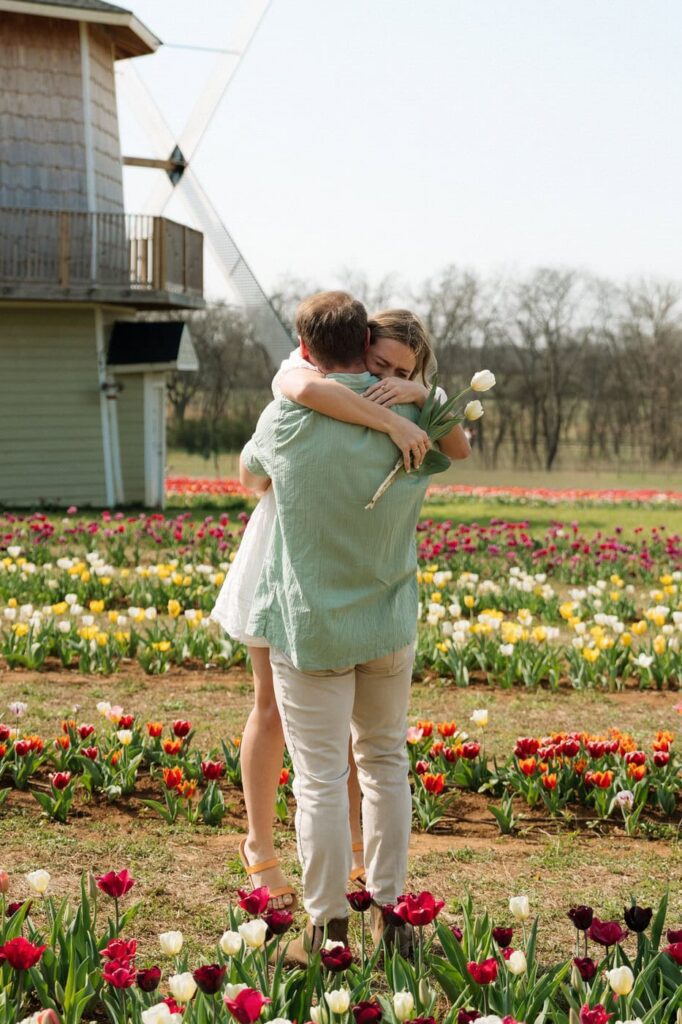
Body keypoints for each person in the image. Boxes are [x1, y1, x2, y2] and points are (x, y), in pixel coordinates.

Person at [211, 307, 469, 913]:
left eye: (400, 371)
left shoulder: (297, 416)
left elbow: (250, 474)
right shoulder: (393, 414)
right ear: (362, 343)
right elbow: (456, 445)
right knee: (362, 752)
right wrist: (413, 405)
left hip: (314, 604)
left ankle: (328, 911)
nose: (386, 375)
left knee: (325, 772)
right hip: (341, 594)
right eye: (380, 363)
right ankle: (373, 895)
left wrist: (418, 394)